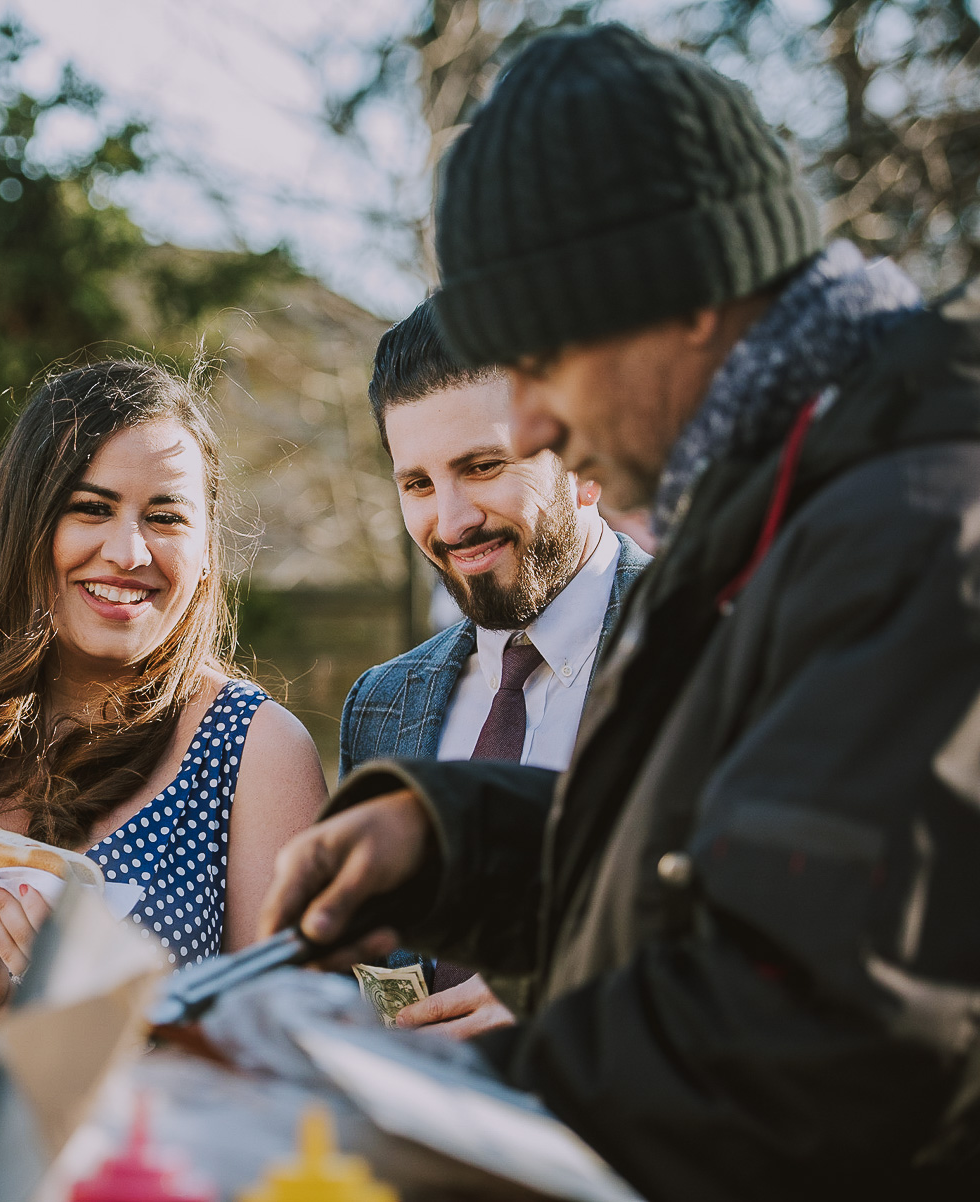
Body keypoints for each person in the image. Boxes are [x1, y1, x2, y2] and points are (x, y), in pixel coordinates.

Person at [260, 24, 980, 1201]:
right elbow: (704, 858)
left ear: (686, 296)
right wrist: (447, 839)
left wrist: (404, 1125)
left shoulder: (922, 530)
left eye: (542, 357)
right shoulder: (776, 506)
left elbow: (806, 1034)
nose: (534, 422)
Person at [0, 360, 325, 1196]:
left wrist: (77, 1024)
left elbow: (284, 1089)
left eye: (166, 517)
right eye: (92, 508)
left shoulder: (252, 750)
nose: (128, 551)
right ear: (26, 524)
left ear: (208, 550)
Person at [336, 300, 649, 1039]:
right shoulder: (380, 706)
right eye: (417, 483)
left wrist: (575, 995)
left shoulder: (713, 644)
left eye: (482, 467)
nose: (451, 522)